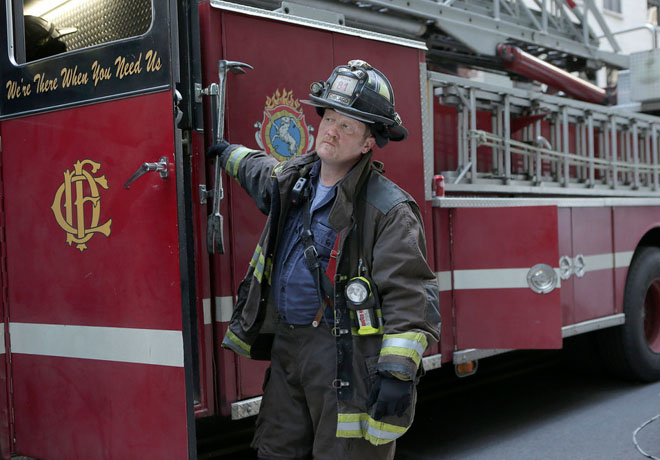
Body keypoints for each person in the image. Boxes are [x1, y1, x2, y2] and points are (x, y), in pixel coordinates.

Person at [210, 59, 441, 460]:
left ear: (368, 142)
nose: (331, 130)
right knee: (276, 451)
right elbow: (259, 170)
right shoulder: (293, 180)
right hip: (288, 346)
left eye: (347, 126)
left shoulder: (389, 209)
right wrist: (226, 152)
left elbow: (409, 294)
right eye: (329, 118)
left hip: (344, 356)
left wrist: (397, 372)